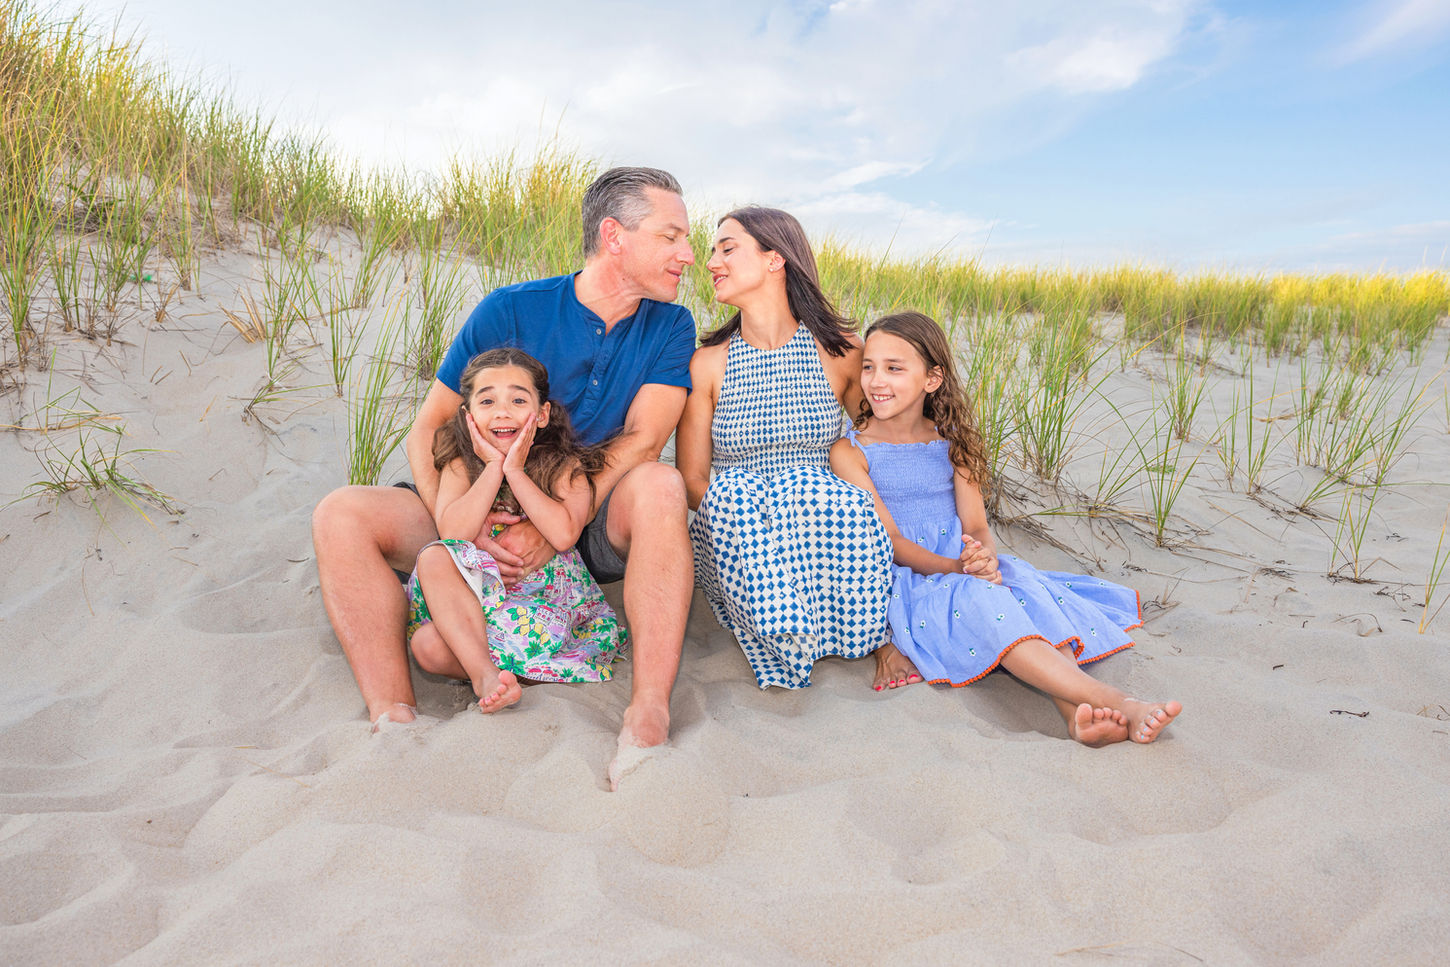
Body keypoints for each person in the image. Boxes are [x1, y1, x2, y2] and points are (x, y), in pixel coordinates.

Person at [312, 166, 696, 780]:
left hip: (583, 512)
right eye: (671, 236)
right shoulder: (512, 308)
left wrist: (557, 523)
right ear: (615, 236)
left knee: (661, 484)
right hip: (473, 497)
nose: (688, 254)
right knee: (342, 512)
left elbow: (644, 439)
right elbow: (430, 427)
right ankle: (393, 719)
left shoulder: (671, 325)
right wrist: (464, 531)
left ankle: (647, 712)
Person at [830, 311, 1182, 745]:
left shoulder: (952, 440)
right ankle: (1120, 702)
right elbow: (893, 542)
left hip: (963, 560)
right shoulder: (851, 451)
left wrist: (980, 556)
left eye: (894, 368)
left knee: (1024, 590)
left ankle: (1074, 715)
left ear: (932, 379)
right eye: (869, 366)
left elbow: (975, 522)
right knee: (985, 598)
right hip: (913, 575)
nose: (875, 380)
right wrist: (958, 569)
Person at [676, 206, 892, 689]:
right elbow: (694, 480)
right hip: (740, 530)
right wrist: (759, 513)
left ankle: (843, 632)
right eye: (713, 251)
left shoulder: (839, 352)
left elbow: (875, 444)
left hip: (821, 520)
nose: (711, 261)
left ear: (775, 260)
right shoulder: (707, 364)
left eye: (727, 249)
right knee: (731, 495)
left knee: (814, 488)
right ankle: (787, 633)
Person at [406, 348, 623, 712]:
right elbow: (452, 534)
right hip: (476, 608)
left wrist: (515, 472)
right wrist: (492, 467)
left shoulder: (564, 466)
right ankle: (490, 675)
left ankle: (502, 674)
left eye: (518, 400)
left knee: (435, 639)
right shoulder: (461, 465)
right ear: (468, 414)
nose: (502, 411)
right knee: (427, 637)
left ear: (542, 414)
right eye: (487, 400)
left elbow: (564, 534)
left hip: (541, 607)